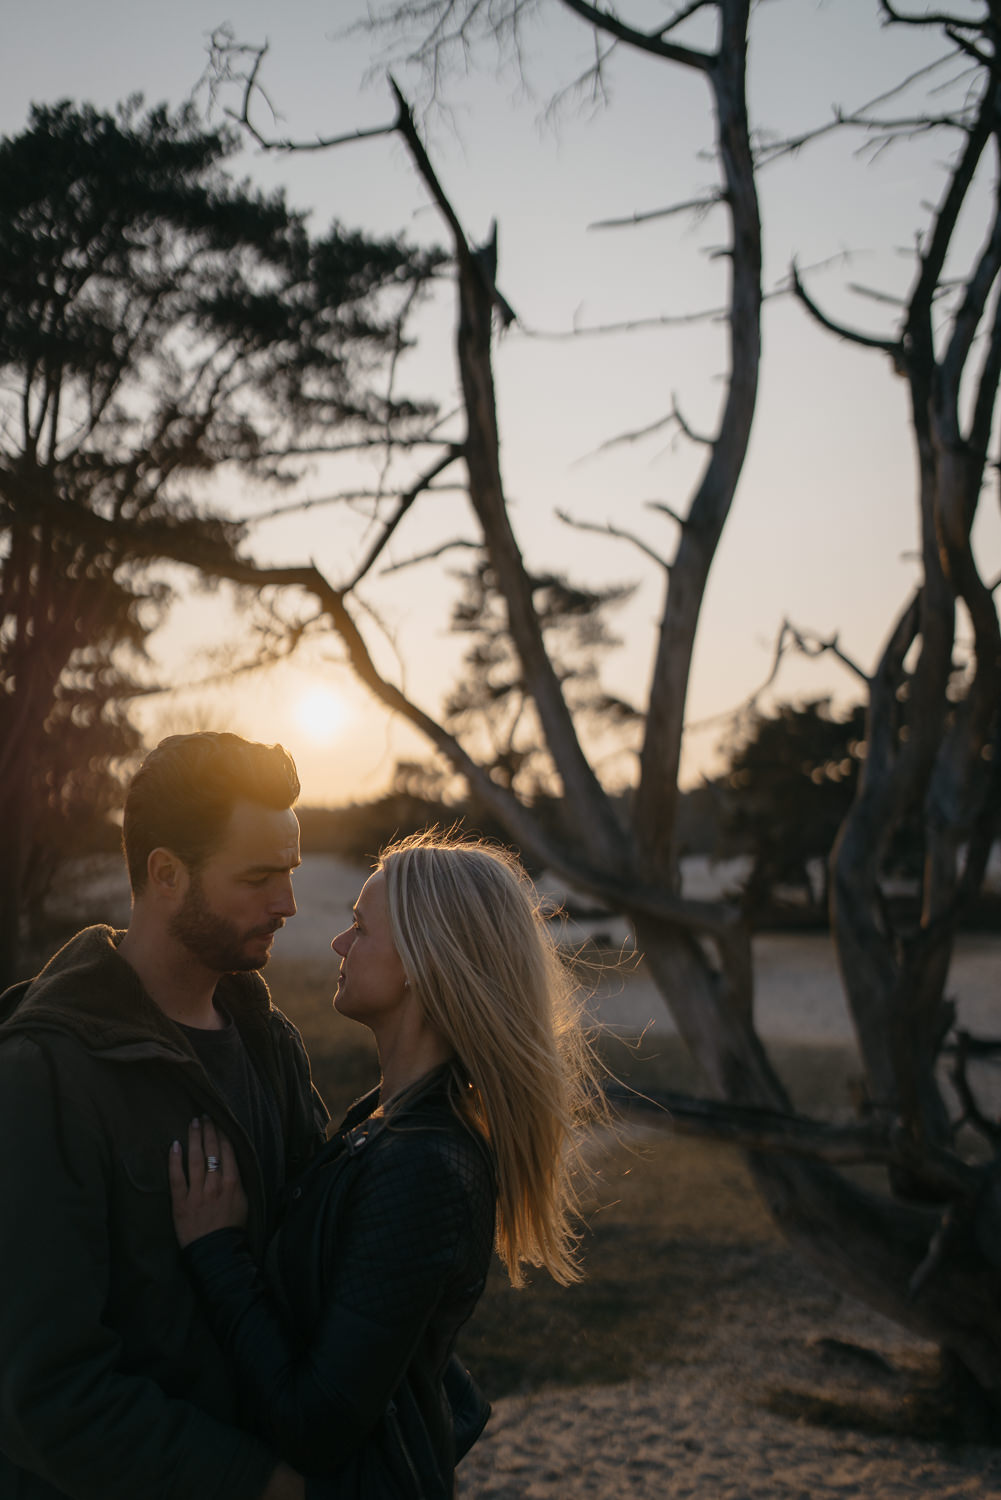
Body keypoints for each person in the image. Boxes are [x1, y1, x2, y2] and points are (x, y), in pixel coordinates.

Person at [169, 831, 601, 1500]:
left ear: (421, 963)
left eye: (359, 928)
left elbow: (315, 1424)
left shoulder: (426, 1167)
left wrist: (216, 1251)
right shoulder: (384, 1121)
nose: (340, 946)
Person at [0, 731, 328, 1500]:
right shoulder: (41, 1076)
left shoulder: (268, 1043)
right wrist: (260, 1483)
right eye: (257, 878)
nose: (285, 903)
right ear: (166, 875)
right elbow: (45, 1392)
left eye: (289, 872)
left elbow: (315, 1271)